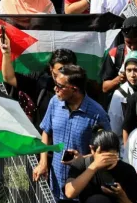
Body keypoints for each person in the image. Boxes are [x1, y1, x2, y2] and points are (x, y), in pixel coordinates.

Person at [34, 64, 111, 199]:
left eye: (60, 86)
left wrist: (82, 159)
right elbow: (46, 132)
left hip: (82, 189)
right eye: (55, 84)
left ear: (74, 89)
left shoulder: (97, 114)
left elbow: (107, 153)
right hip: (55, 185)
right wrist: (43, 162)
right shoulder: (54, 102)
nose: (55, 89)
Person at [64, 130, 137, 203]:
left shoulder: (127, 170)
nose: (106, 161)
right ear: (92, 150)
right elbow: (69, 193)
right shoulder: (82, 163)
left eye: (111, 157)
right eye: (103, 157)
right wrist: (95, 166)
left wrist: (121, 196)